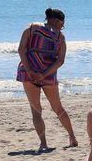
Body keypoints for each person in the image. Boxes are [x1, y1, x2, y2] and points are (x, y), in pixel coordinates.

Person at [16, 8, 79, 151]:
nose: (62, 27)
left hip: (28, 73)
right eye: (62, 24)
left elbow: (21, 50)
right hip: (49, 75)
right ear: (57, 20)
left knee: (36, 110)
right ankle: (72, 137)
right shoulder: (60, 37)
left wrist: (31, 70)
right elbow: (60, 61)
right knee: (58, 108)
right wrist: (44, 74)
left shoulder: (31, 28)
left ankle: (43, 143)